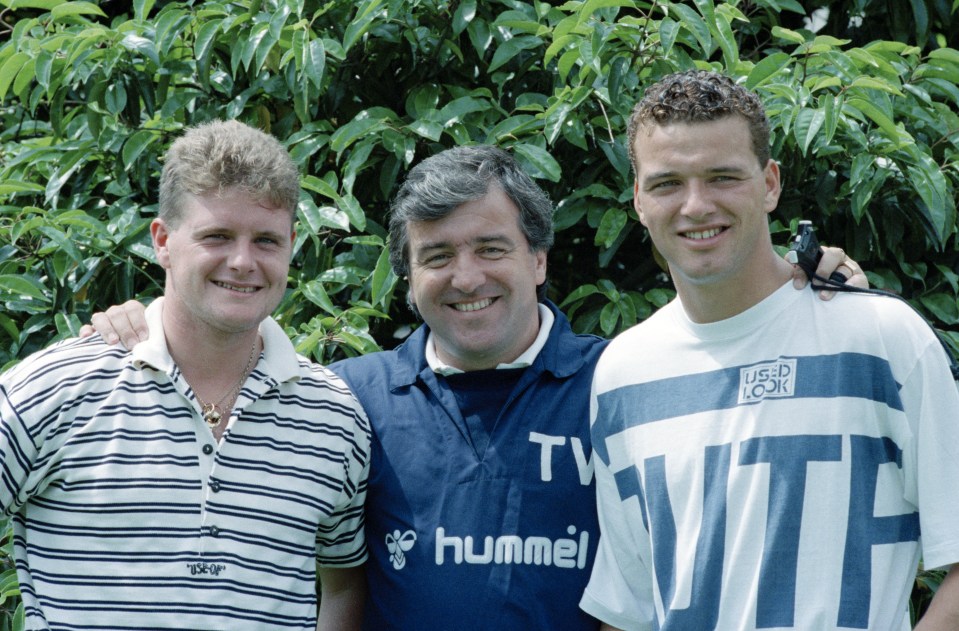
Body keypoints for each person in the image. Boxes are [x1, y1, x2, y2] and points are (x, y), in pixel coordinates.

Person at [83, 145, 865, 629]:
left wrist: (806, 288)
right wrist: (138, 323)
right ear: (407, 277)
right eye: (436, 257)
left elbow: (753, 378)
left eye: (491, 248)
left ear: (538, 261)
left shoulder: (627, 378)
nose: (465, 278)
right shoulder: (343, 399)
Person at [581, 69, 959, 631]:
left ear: (770, 184)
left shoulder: (879, 338)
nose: (695, 205)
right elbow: (629, 609)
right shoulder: (622, 373)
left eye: (722, 177)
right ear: (637, 199)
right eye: (666, 184)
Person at [0, 120, 370, 630]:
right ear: (163, 241)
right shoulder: (56, 388)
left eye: (266, 240)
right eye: (217, 236)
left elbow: (344, 580)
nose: (243, 262)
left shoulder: (334, 416)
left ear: (291, 246)